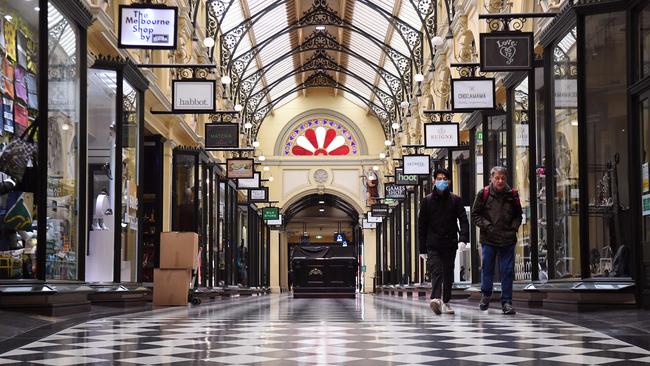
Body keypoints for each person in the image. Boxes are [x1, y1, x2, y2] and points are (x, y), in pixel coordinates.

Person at [471, 166, 522, 315]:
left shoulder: (512, 195)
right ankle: (486, 294)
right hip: (489, 238)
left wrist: (513, 228)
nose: (500, 181)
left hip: (507, 239)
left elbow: (518, 215)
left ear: (506, 179)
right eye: (497, 178)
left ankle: (506, 302)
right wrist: (487, 226)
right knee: (487, 268)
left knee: (507, 271)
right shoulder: (483, 194)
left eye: (503, 178)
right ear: (491, 178)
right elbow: (475, 215)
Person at [418, 168, 469, 315]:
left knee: (448, 274)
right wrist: (422, 249)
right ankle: (435, 299)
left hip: (450, 242)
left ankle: (446, 301)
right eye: (439, 178)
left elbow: (463, 220)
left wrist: (463, 238)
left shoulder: (455, 200)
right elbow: (422, 225)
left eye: (444, 179)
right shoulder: (427, 201)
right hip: (433, 244)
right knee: (436, 270)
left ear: (449, 181)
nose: (441, 181)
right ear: (434, 181)